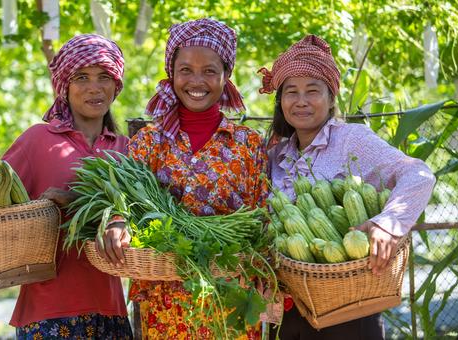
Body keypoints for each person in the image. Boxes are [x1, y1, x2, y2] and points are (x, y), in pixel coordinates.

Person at [0, 34, 133, 339]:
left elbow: (142, 218)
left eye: (104, 77)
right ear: (64, 86)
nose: (94, 87)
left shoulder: (127, 150)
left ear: (116, 85)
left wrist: (86, 204)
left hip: (112, 313)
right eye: (82, 77)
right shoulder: (38, 141)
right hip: (47, 313)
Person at [97, 18, 269, 339]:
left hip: (230, 300)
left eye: (209, 70)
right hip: (165, 304)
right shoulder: (149, 141)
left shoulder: (248, 144)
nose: (197, 80)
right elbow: (120, 198)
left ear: (226, 75)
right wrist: (117, 219)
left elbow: (263, 218)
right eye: (186, 70)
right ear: (172, 74)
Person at [258, 34, 436, 340]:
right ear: (280, 101)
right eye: (291, 92)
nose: (301, 101)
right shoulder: (275, 157)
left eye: (312, 91)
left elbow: (419, 175)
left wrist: (389, 224)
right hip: (288, 310)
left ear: (331, 99)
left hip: (349, 310)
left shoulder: (351, 140)